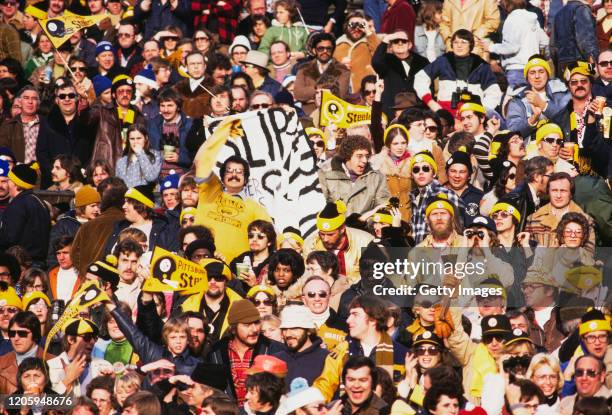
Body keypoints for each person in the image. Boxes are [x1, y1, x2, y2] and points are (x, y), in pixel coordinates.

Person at [193, 120, 273, 263]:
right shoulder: (210, 192)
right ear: (222, 176)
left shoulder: (255, 208)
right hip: (200, 262)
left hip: (234, 270)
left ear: (246, 178)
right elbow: (201, 161)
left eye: (239, 172)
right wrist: (221, 132)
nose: (234, 175)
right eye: (229, 171)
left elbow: (271, 236)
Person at [313, 295, 408, 401]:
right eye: (349, 315)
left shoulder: (402, 354)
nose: (348, 320)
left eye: (355, 314)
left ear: (373, 319)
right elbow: (324, 386)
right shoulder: (342, 350)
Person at [206, 299, 283, 404]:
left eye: (256, 323)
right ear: (233, 329)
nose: (254, 329)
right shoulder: (216, 353)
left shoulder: (275, 349)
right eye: (247, 325)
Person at [415, 29, 502, 115]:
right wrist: (431, 103)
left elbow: (494, 91)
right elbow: (420, 77)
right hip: (445, 116)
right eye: (456, 42)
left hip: (471, 115)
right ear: (452, 45)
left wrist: (481, 112)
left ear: (471, 45)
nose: (459, 45)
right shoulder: (444, 61)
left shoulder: (481, 65)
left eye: (463, 42)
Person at [481, 0, 549, 89]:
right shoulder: (532, 19)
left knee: (515, 100)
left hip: (516, 69)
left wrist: (491, 47)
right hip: (532, 68)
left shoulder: (512, 20)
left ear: (506, 4)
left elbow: (512, 47)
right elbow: (545, 42)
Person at [318, 134, 390, 216]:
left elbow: (383, 208)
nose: (364, 160)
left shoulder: (377, 178)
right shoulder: (325, 175)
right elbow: (320, 208)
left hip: (365, 227)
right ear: (347, 156)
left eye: (367, 156)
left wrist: (364, 220)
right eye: (359, 156)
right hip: (337, 227)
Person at [303, 201, 374, 283]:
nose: (325, 239)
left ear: (342, 229)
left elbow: (372, 275)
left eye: (330, 234)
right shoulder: (311, 244)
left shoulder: (365, 241)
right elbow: (308, 275)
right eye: (322, 234)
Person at [71, 178, 127, 277]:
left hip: (91, 282)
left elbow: (74, 254)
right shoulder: (128, 223)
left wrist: (87, 272)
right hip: (117, 282)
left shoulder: (88, 226)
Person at [524, 172, 595, 249]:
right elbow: (527, 255)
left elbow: (588, 254)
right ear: (548, 192)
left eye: (563, 191)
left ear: (571, 194)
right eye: (554, 190)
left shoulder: (586, 220)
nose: (558, 196)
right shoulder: (533, 219)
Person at [505, 56, 570, 139]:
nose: (537, 76)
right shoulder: (518, 100)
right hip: (531, 148)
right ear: (527, 78)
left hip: (558, 144)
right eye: (532, 73)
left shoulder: (561, 93)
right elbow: (513, 132)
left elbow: (566, 122)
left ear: (547, 74)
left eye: (541, 71)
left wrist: (543, 106)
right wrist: (533, 119)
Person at [179, 259, 243, 344]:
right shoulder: (185, 305)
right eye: (208, 278)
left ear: (225, 281)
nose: (213, 282)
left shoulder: (240, 308)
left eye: (218, 278)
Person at [0, 162, 50, 264]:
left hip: (22, 263)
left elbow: (10, 238)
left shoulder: (18, 205)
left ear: (16, 183)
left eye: (9, 180)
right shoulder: (39, 202)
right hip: (39, 261)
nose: (8, 183)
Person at [372, 30, 429, 115]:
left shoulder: (422, 62)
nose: (400, 43)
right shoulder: (385, 61)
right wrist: (386, 39)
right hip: (392, 110)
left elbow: (429, 85)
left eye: (404, 41)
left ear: (410, 45)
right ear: (390, 46)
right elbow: (376, 62)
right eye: (395, 41)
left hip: (417, 110)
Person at [294, 32, 350, 115]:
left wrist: (310, 98)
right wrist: (322, 88)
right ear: (314, 50)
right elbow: (298, 94)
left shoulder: (342, 70)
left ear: (333, 50)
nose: (325, 51)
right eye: (321, 48)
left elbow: (341, 94)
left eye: (328, 48)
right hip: (308, 115)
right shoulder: (304, 68)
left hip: (333, 114)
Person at [47, 318, 105, 396]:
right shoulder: (50, 366)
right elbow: (48, 403)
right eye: (87, 337)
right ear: (70, 339)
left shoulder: (104, 365)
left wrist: (110, 381)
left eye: (95, 338)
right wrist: (68, 380)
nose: (92, 342)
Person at [47, 185, 100, 268]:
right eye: (93, 206)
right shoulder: (63, 225)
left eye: (98, 205)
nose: (97, 209)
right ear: (82, 206)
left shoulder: (99, 224)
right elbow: (52, 254)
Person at [274, 305, 328, 385]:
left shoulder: (326, 359)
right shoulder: (276, 359)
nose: (288, 334)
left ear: (309, 331)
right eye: (284, 329)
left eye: (294, 328)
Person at [0, 311, 52, 395]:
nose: (16, 338)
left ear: (34, 334)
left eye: (22, 333)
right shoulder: (1, 363)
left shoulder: (54, 362)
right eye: (12, 333)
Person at [333, 11, 380, 94]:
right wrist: (340, 66)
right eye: (352, 25)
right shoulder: (338, 44)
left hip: (365, 92)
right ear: (346, 26)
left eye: (360, 25)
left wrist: (368, 32)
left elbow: (380, 55)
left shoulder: (370, 41)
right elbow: (331, 70)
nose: (356, 29)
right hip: (343, 91)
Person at [552, 0, 599, 76]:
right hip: (580, 63)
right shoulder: (581, 9)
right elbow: (586, 41)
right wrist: (593, 65)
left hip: (563, 63)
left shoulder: (559, 13)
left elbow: (552, 45)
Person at [116, 124, 162, 188]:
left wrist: (140, 153)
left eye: (139, 138)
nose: (135, 142)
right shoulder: (121, 161)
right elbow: (118, 187)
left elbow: (151, 177)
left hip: (148, 196)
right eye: (132, 139)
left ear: (146, 138)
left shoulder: (155, 155)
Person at [173, 51, 214, 118]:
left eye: (199, 63)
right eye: (192, 64)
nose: (196, 67)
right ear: (186, 67)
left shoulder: (215, 87)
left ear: (205, 66)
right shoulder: (177, 88)